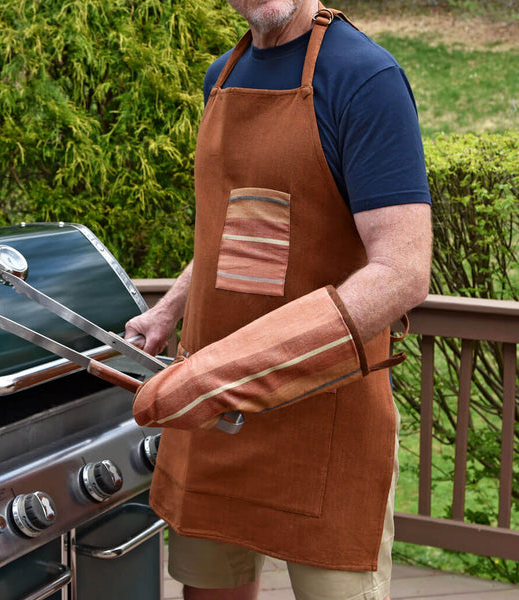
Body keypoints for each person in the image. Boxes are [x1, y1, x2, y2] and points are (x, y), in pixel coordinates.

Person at [126, 0, 432, 598]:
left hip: (323, 418)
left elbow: (402, 271)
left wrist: (220, 370)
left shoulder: (365, 78)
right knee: (209, 589)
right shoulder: (223, 76)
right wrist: (170, 308)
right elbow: (238, 225)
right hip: (216, 418)